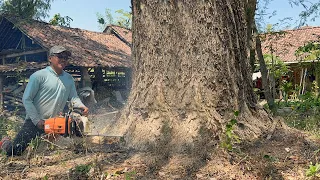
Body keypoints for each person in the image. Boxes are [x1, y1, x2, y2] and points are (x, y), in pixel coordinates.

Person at [0, 45, 89, 156]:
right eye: (60, 56)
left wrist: (81, 106)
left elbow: (73, 98)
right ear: (50, 58)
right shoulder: (39, 76)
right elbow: (27, 99)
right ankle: (5, 143)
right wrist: (37, 120)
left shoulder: (69, 79)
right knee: (14, 152)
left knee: (58, 150)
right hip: (35, 121)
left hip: (56, 121)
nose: (63, 59)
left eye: (66, 57)